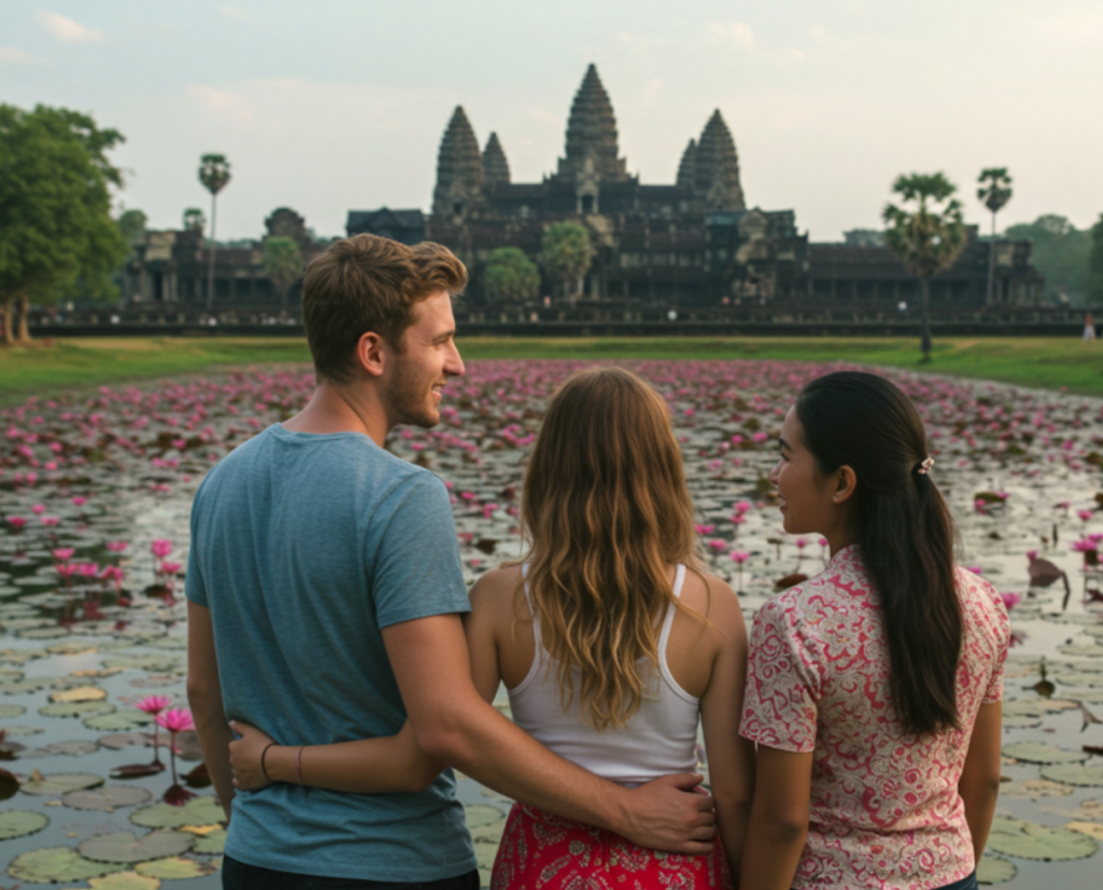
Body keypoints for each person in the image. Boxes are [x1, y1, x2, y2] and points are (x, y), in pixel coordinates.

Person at [186, 235, 715, 890]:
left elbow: (204, 694)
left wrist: (257, 823)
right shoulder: (399, 494)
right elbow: (444, 725)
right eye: (438, 341)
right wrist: (625, 810)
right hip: (393, 864)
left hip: (256, 860)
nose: (457, 364)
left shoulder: (220, 484)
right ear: (374, 352)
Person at [739, 372, 1009, 890]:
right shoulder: (982, 603)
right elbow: (986, 779)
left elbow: (782, 822)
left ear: (842, 482)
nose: (774, 474)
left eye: (785, 455)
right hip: (953, 875)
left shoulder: (795, 622)